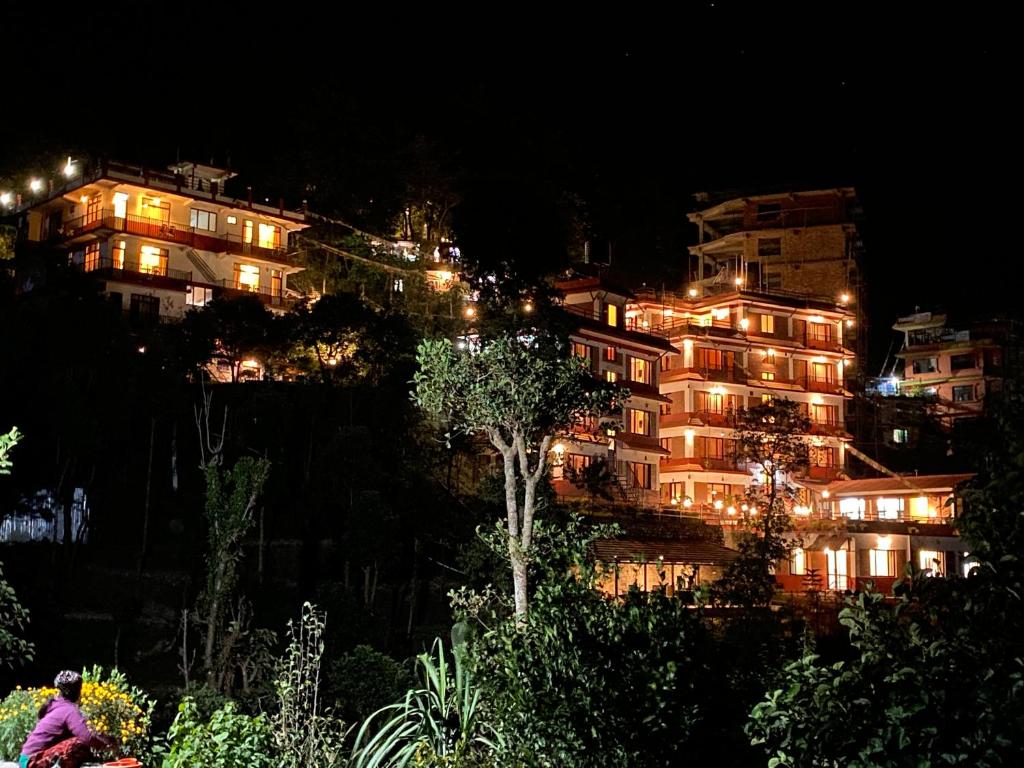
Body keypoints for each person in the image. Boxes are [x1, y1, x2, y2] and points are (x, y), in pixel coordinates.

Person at [18, 671, 112, 768]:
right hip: (33, 761)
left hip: (25, 760)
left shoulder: (55, 705)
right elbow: (87, 737)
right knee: (77, 744)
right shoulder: (69, 710)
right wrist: (107, 742)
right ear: (76, 691)